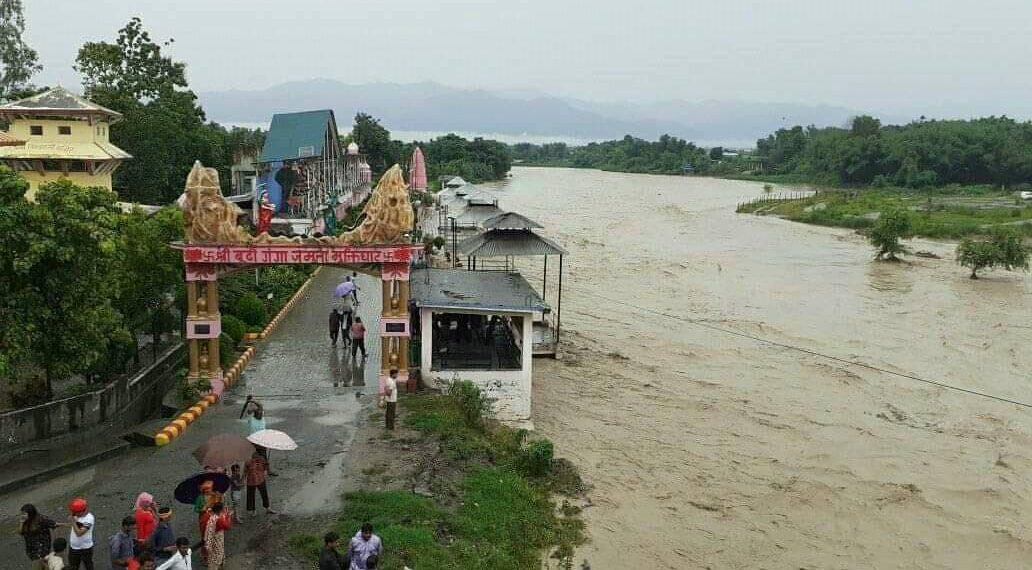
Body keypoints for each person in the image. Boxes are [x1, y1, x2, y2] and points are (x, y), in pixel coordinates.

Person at [244, 450, 277, 517]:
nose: (256, 458)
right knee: (251, 496)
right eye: (254, 457)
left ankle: (267, 508)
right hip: (251, 481)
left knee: (264, 494)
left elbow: (265, 468)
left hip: (260, 479)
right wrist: (243, 479)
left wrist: (267, 465)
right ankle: (253, 510)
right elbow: (245, 471)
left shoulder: (262, 460)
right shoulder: (248, 462)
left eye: (257, 457)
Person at [67, 498, 95, 570]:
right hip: (73, 548)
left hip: (85, 548)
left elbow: (79, 533)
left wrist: (73, 522)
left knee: (88, 566)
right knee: (73, 567)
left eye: (75, 512)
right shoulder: (75, 515)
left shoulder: (89, 518)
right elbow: (74, 525)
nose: (74, 513)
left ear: (81, 511)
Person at [202, 503, 232, 570]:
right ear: (220, 510)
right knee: (217, 555)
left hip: (210, 539)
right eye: (223, 509)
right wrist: (229, 516)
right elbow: (227, 526)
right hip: (216, 539)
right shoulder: (219, 519)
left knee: (213, 555)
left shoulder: (209, 514)